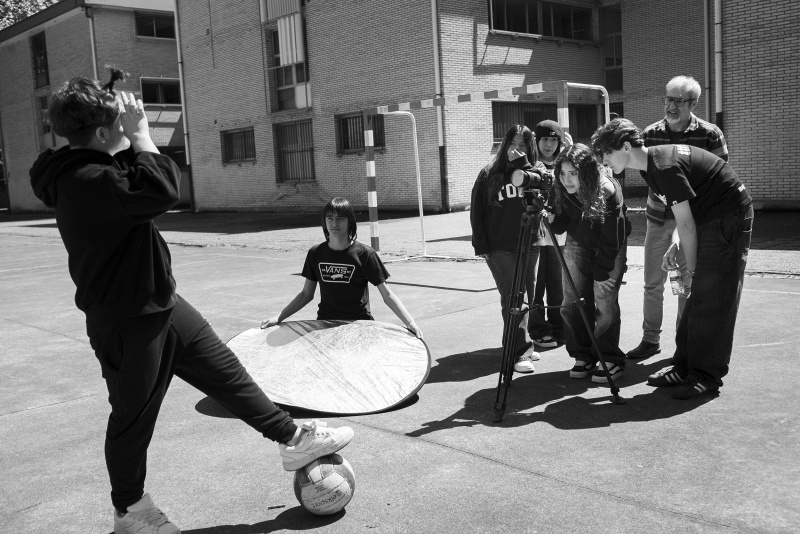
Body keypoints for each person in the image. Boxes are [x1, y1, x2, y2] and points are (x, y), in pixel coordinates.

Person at [29, 69, 353, 534]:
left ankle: (293, 437)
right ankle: (130, 512)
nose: (127, 125)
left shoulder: (90, 169)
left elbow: (133, 174)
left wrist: (122, 127)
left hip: (160, 303)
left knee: (226, 373)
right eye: (117, 122)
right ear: (100, 134)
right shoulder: (87, 180)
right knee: (133, 420)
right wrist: (142, 134)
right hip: (127, 320)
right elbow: (162, 187)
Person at [591, 118, 752, 399]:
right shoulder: (652, 167)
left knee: (712, 297)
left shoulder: (663, 167)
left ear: (626, 147)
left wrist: (693, 270)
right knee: (698, 296)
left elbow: (688, 224)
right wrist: (677, 245)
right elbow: (686, 216)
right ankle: (683, 367)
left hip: (730, 217)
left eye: (606, 154)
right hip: (709, 216)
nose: (604, 162)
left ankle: (706, 376)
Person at [627, 75, 729, 360]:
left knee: (686, 284)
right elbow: (646, 173)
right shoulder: (649, 134)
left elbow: (720, 177)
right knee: (652, 283)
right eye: (668, 99)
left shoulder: (710, 134)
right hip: (658, 218)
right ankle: (650, 339)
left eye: (678, 101)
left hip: (692, 221)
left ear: (693, 104)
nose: (671, 106)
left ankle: (683, 344)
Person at [262, 197, 423, 339]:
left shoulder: (365, 254)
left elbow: (387, 295)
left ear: (350, 221)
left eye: (340, 219)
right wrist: (279, 317)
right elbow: (306, 294)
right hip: (325, 325)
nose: (334, 223)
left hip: (359, 325)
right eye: (330, 218)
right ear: (324, 222)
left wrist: (410, 322)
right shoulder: (316, 253)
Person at [547, 144, 631, 384]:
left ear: (586, 172)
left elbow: (612, 238)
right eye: (562, 173)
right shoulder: (560, 188)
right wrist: (551, 218)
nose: (566, 180)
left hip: (610, 245)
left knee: (604, 300)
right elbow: (561, 224)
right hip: (578, 241)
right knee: (571, 300)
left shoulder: (606, 189)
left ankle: (609, 358)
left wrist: (602, 271)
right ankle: (583, 354)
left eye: (573, 173)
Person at [470, 124, 548, 374]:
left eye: (522, 144)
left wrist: (524, 166)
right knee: (515, 297)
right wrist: (481, 245)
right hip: (500, 246)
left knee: (529, 296)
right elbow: (477, 212)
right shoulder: (489, 173)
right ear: (504, 145)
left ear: (529, 148)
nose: (516, 149)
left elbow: (548, 191)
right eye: (512, 143)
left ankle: (520, 342)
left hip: (531, 243)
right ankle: (519, 353)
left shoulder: (536, 170)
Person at [530, 120, 570, 347]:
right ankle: (538, 329)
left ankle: (559, 326)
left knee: (558, 284)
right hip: (535, 236)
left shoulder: (564, 164)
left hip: (558, 235)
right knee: (535, 286)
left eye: (553, 140)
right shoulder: (529, 166)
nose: (548, 144)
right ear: (536, 141)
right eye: (544, 139)